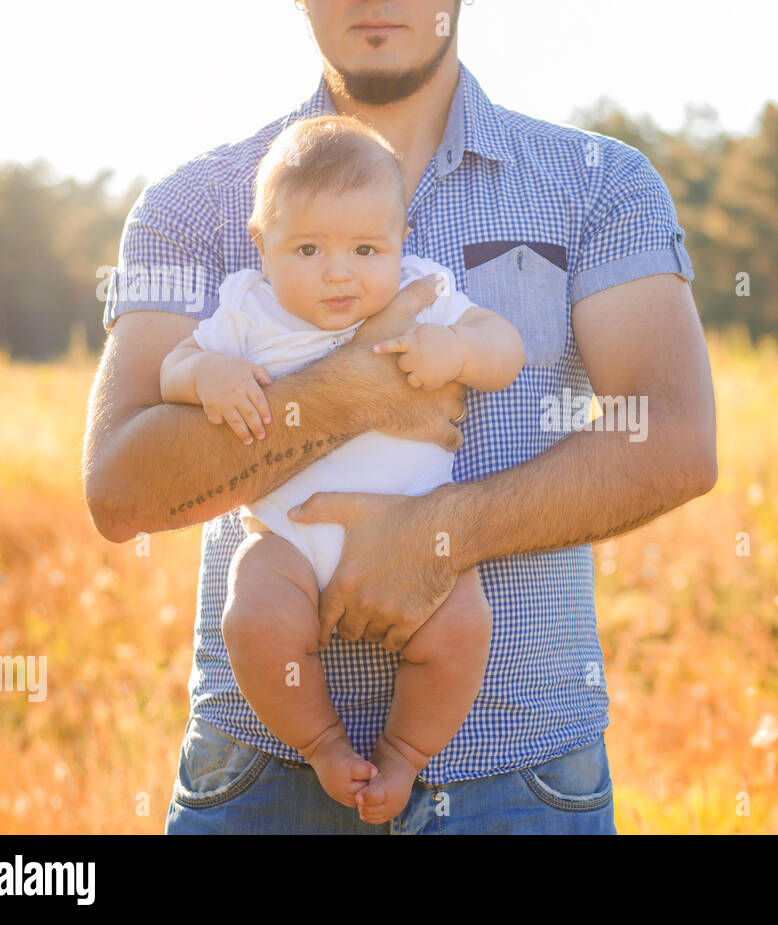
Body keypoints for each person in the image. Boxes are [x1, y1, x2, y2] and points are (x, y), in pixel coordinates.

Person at [83, 0, 717, 834]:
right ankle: (321, 739)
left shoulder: (599, 182)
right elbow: (120, 493)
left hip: (524, 777)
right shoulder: (194, 205)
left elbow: (672, 439)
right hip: (259, 782)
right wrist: (356, 387)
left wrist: (440, 535)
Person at [157, 113, 523, 824]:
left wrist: (456, 350)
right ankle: (324, 744)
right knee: (253, 620)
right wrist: (208, 376)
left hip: (420, 526)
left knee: (461, 630)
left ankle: (403, 756)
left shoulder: (421, 292)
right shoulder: (247, 308)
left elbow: (501, 346)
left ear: (400, 243)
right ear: (261, 245)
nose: (339, 271)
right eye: (307, 248)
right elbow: (172, 367)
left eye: (364, 247)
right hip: (288, 541)